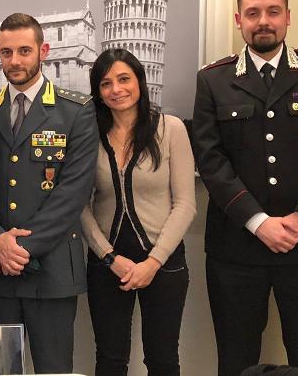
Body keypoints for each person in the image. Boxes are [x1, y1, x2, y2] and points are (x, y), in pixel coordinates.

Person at [0, 13, 98, 374]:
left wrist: (19, 249)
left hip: (52, 270)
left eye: (24, 51)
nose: (15, 61)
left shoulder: (75, 111)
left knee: (53, 370)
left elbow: (73, 192)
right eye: (6, 52)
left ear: (43, 51)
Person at [193, 0, 298, 375]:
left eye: (273, 12)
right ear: (239, 19)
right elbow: (211, 161)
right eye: (253, 13)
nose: (264, 21)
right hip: (236, 248)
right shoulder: (213, 79)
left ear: (287, 17)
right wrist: (259, 223)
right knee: (237, 360)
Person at [81, 48, 196, 376]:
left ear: (140, 82)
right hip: (107, 263)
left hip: (163, 263)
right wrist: (108, 257)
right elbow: (79, 205)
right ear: (98, 91)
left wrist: (153, 262)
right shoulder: (89, 135)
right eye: (106, 83)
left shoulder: (171, 129)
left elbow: (186, 204)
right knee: (110, 359)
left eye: (124, 79)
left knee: (162, 359)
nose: (116, 89)